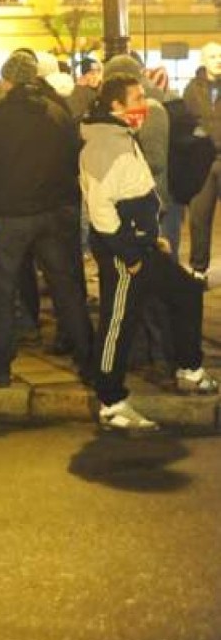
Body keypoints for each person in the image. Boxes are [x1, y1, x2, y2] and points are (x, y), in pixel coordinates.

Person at [80, 73, 218, 431]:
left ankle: (189, 368)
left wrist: (151, 237)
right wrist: (131, 254)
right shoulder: (103, 144)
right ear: (115, 104)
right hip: (125, 249)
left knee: (185, 292)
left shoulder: (120, 135)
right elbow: (101, 210)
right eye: (136, 98)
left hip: (140, 243)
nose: (143, 104)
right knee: (117, 323)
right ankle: (111, 401)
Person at [0, 50, 94, 389]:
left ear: (8, 80)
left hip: (11, 215)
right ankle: (90, 361)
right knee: (65, 289)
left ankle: (1, 365)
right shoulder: (57, 113)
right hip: (53, 212)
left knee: (3, 291)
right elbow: (72, 160)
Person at [184, 40, 221, 274]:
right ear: (203, 61)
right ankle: (198, 268)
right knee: (199, 217)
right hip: (201, 162)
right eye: (213, 57)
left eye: (220, 56)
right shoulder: (192, 89)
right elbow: (187, 121)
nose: (218, 61)